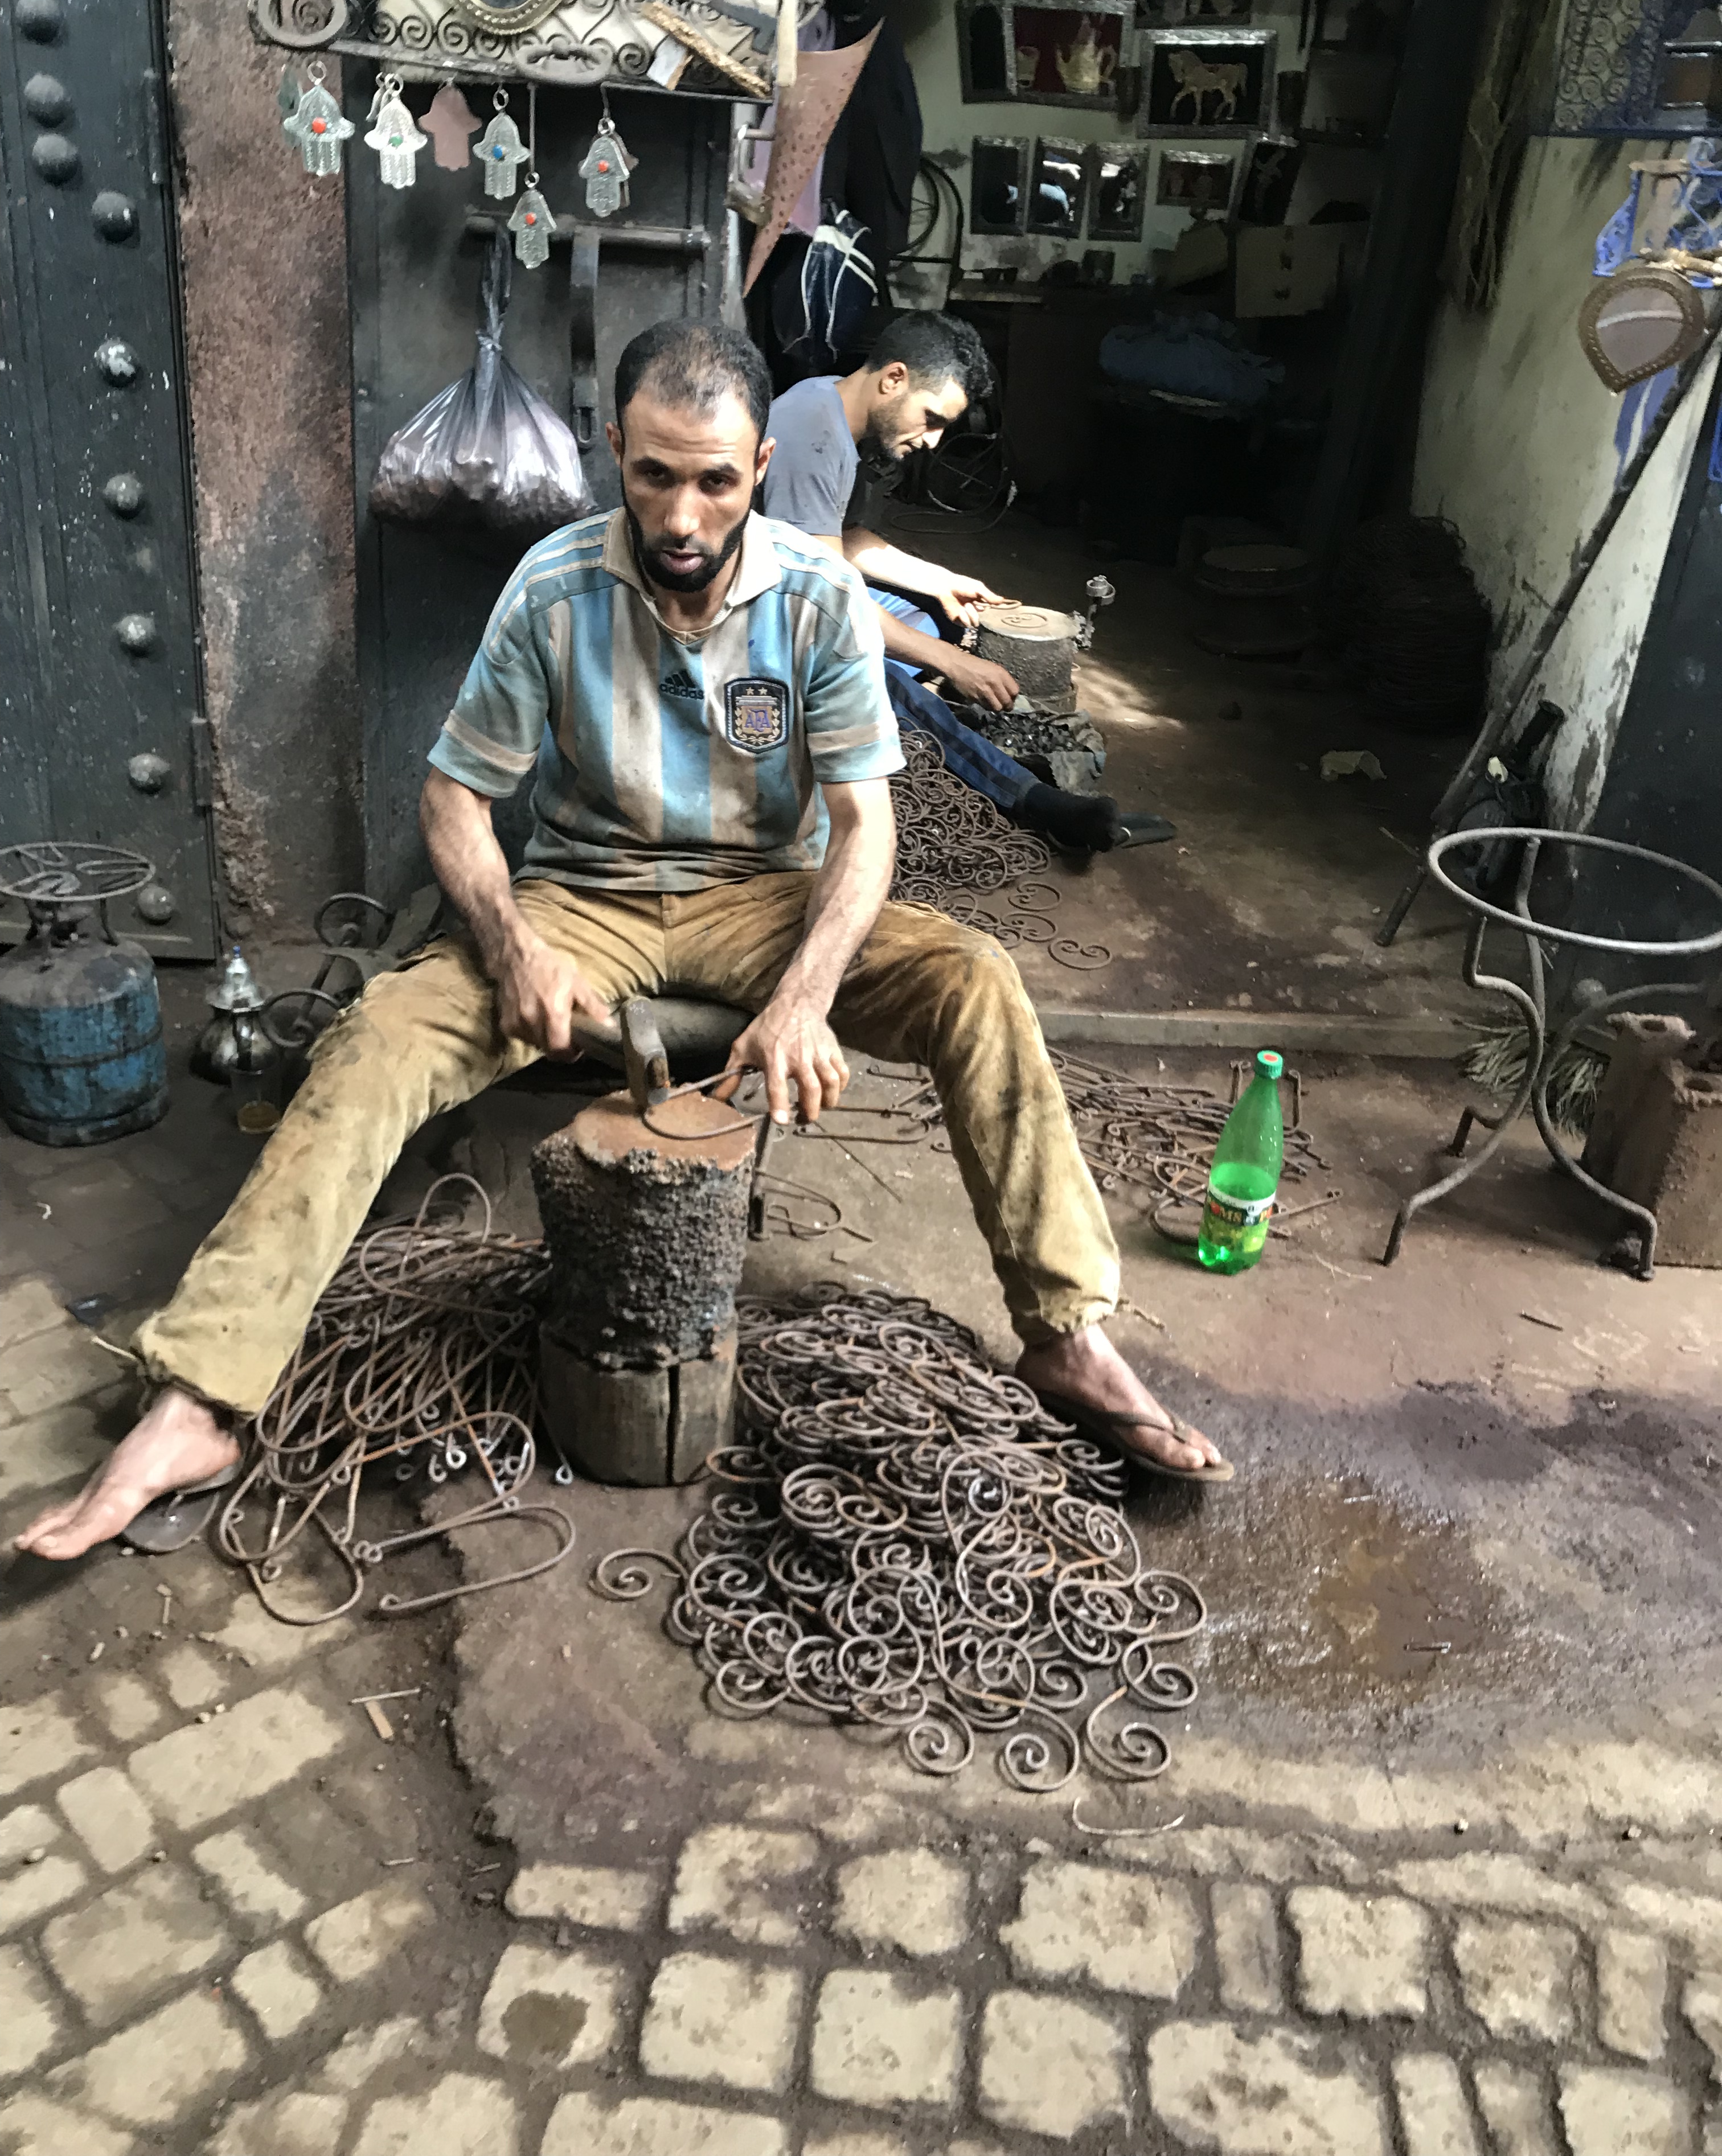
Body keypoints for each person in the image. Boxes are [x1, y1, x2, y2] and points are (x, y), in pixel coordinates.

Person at [13, 321, 1230, 1563]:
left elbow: (866, 827)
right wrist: (512, 947)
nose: (683, 516)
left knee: (974, 980)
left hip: (765, 896)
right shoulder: (552, 589)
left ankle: (1066, 1335)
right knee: (381, 1034)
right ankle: (200, 1397)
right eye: (654, 475)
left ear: (760, 466)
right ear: (614, 452)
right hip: (584, 897)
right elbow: (453, 798)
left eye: (715, 480)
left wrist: (804, 995)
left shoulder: (816, 599)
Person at [761, 310, 1173, 853]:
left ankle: (921, 714)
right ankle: (1033, 799)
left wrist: (941, 580)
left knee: (941, 618)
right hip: (762, 612)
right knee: (864, 669)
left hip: (803, 582)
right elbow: (826, 602)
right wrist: (951, 663)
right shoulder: (812, 437)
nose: (934, 442)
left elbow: (839, 536)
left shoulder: (830, 401)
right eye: (931, 419)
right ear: (894, 378)